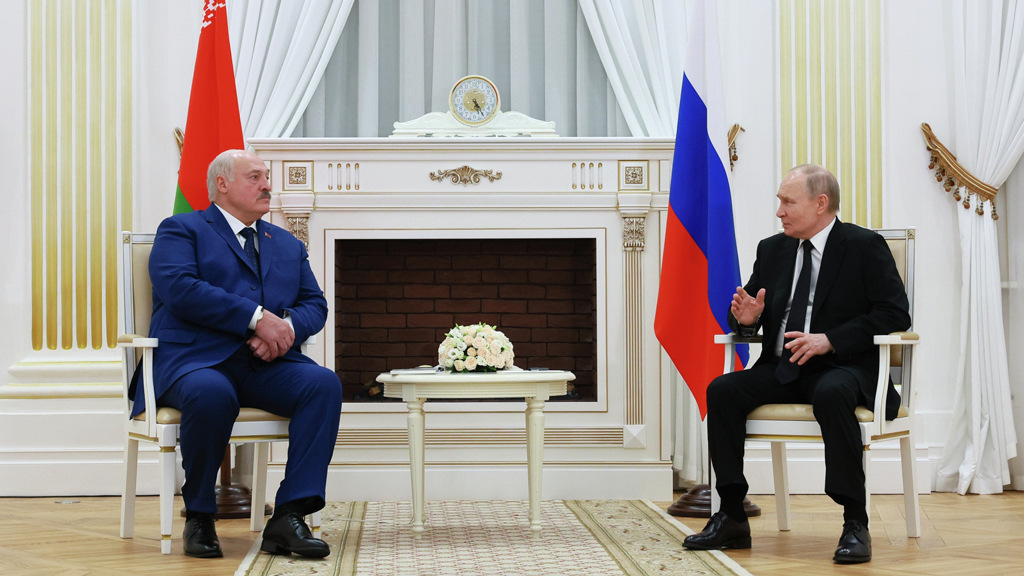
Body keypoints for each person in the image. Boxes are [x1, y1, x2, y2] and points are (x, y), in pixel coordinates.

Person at [681, 165, 911, 564]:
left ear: (820, 203)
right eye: (779, 202)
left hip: (843, 368)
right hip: (781, 368)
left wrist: (830, 339)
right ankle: (731, 514)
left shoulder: (864, 246)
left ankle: (855, 522)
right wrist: (746, 320)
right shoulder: (773, 249)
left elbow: (895, 314)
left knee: (833, 392)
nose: (779, 212)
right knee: (723, 390)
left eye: (788, 202)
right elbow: (746, 309)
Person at [129, 149, 342, 558]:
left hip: (265, 364)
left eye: (267, 177)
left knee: (322, 384)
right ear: (222, 184)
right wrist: (256, 319)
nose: (267, 186)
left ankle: (289, 516)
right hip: (195, 361)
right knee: (211, 392)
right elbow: (181, 289)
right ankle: (199, 516)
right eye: (255, 177)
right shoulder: (181, 229)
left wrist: (284, 329)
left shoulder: (285, 242)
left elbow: (315, 304)